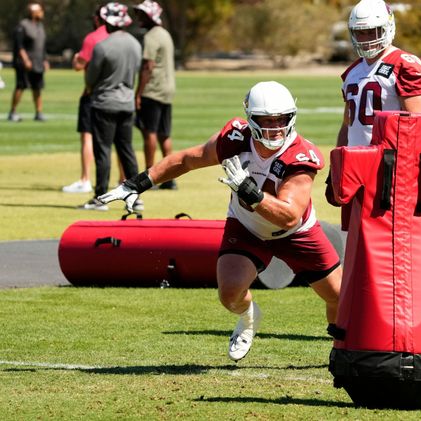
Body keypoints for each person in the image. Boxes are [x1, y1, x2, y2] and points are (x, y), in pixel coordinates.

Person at [98, 81, 342, 362]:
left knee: (337, 295)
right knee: (229, 294)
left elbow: (289, 217)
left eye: (281, 120)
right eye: (266, 120)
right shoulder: (235, 138)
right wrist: (137, 183)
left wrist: (250, 192)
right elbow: (187, 160)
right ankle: (249, 318)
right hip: (247, 226)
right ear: (251, 119)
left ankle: (340, 350)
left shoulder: (300, 155)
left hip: (297, 232)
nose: (275, 127)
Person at [326, 0, 421, 223]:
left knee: (386, 232)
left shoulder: (406, 65)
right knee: (358, 233)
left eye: (371, 32)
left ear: (387, 28)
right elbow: (348, 124)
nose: (365, 39)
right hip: (356, 165)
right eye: (360, 32)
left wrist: (407, 171)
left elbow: (417, 127)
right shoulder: (352, 72)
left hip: (389, 165)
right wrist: (338, 163)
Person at [79, 2, 142, 211]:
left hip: (104, 103)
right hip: (127, 103)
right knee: (126, 150)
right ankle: (136, 196)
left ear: (107, 21)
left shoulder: (102, 46)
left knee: (103, 151)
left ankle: (101, 198)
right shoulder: (135, 44)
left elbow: (90, 78)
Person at [63, 7, 120, 194]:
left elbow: (79, 65)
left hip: (94, 94)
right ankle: (123, 179)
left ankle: (85, 179)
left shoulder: (93, 37)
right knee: (120, 141)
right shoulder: (122, 38)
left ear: (98, 19)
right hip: (120, 95)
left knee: (88, 137)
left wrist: (76, 58)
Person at [133, 0, 177, 190]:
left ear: (151, 17)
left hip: (153, 90)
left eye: (142, 14)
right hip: (167, 90)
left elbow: (147, 67)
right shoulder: (165, 34)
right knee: (164, 134)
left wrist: (138, 94)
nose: (139, 17)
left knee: (149, 132)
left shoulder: (151, 36)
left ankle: (148, 176)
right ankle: (169, 177)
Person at [8, 2, 49, 122]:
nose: (42, 13)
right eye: (40, 11)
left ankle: (39, 112)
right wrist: (25, 60)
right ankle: (13, 112)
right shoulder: (23, 26)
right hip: (24, 64)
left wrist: (45, 60)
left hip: (38, 63)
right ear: (33, 12)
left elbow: (42, 46)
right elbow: (19, 45)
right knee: (21, 86)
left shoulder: (40, 26)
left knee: (37, 88)